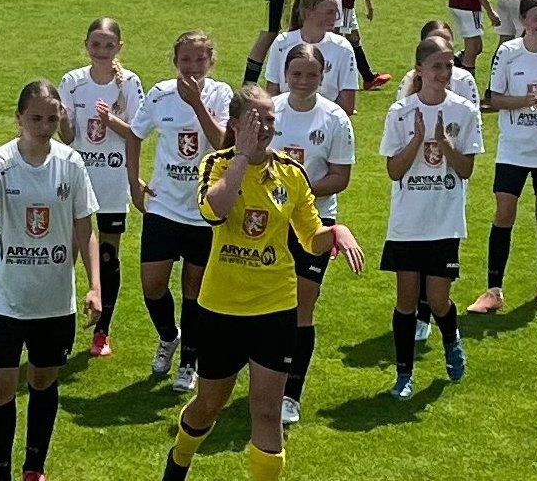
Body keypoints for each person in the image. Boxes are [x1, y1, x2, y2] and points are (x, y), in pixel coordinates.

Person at [161, 85, 363, 481]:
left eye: (270, 119)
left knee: (267, 411)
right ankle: (179, 461)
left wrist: (337, 232)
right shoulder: (216, 164)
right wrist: (241, 155)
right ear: (236, 124)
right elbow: (215, 211)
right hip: (221, 309)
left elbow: (311, 237)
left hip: (275, 309)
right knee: (208, 406)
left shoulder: (291, 173)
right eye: (256, 119)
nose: (266, 127)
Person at [0, 80, 101, 481]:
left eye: (52, 119)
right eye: (36, 118)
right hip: (4, 293)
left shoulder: (71, 163)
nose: (44, 126)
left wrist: (95, 286)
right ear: (19, 118)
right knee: (2, 384)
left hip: (54, 296)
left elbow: (85, 229)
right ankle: (0, 473)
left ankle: (34, 468)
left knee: (43, 378)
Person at [128, 31, 232, 393]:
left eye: (200, 59)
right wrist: (133, 182)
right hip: (164, 205)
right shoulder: (159, 93)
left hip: (203, 209)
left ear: (211, 62)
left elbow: (224, 144)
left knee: (194, 288)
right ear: (175, 61)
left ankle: (189, 363)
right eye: (186, 59)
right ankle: (169, 336)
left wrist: (197, 104)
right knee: (152, 284)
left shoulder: (221, 94)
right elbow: (134, 135)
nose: (193, 66)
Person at [380, 36, 483, 399]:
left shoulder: (465, 111)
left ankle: (451, 339)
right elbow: (394, 171)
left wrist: (443, 142)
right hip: (407, 223)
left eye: (448, 66)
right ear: (419, 70)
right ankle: (404, 375)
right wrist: (417, 140)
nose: (443, 72)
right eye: (436, 66)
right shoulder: (400, 113)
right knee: (406, 301)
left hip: (444, 221)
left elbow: (466, 170)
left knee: (438, 300)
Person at [469, 0, 537, 314]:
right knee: (504, 214)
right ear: (524, 21)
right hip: (513, 149)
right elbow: (494, 98)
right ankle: (493, 290)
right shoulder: (508, 53)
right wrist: (525, 101)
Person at [272, 44, 357, 426]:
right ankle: (267, 378)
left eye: (311, 74)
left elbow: (340, 177)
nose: (303, 81)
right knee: (270, 302)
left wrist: (298, 193)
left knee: (303, 303)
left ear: (323, 76)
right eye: (296, 74)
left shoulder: (335, 118)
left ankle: (291, 393)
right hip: (272, 221)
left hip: (316, 221)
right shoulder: (270, 111)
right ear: (285, 74)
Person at [58, 18, 146, 358]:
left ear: (119, 48)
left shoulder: (129, 83)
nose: (102, 51)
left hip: (112, 181)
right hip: (79, 181)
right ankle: (61, 328)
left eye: (109, 45)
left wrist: (110, 121)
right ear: (86, 45)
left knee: (108, 255)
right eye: (96, 44)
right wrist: (62, 119)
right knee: (68, 252)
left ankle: (102, 331)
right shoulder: (72, 82)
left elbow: (137, 133)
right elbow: (68, 137)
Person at [264, 0, 359, 116]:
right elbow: (272, 91)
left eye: (337, 12)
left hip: (326, 119)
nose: (336, 18)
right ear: (309, 13)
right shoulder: (282, 43)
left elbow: (347, 103)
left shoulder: (342, 48)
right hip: (286, 118)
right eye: (329, 12)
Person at [397, 20, 482, 108]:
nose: (441, 46)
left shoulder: (463, 79)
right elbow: (400, 113)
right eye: (433, 42)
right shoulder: (409, 79)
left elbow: (473, 114)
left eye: (446, 42)